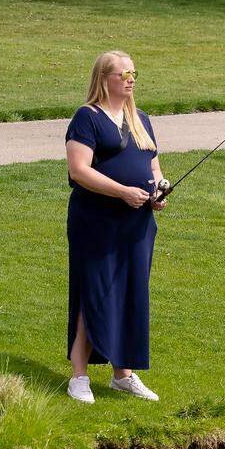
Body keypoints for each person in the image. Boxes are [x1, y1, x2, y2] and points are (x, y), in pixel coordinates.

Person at [64, 51, 167, 405]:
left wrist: (157, 191)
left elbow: (153, 167)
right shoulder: (87, 118)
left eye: (133, 72)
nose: (130, 78)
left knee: (130, 291)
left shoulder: (141, 119)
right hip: (96, 222)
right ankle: (79, 376)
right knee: (95, 291)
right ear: (104, 78)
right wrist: (122, 191)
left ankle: (123, 374)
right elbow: (79, 170)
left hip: (137, 223)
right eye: (123, 73)